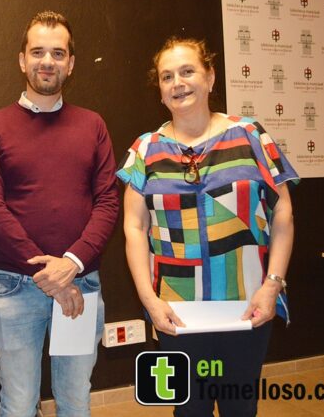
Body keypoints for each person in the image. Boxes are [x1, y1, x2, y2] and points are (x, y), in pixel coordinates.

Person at [118, 37, 297, 416]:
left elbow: (282, 212)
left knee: (239, 407)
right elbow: (134, 227)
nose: (178, 83)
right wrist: (149, 300)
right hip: (177, 312)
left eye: (187, 71)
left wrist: (273, 285)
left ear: (210, 77)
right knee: (190, 409)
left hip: (248, 305)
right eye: (167, 76)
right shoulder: (145, 149)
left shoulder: (250, 135)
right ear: (159, 90)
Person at [0, 11, 119, 417]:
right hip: (16, 287)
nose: (47, 61)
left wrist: (70, 265)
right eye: (38, 52)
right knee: (19, 404)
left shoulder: (93, 125)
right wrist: (50, 274)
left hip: (80, 283)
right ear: (22, 60)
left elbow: (108, 202)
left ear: (71, 63)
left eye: (58, 53)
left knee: (75, 401)